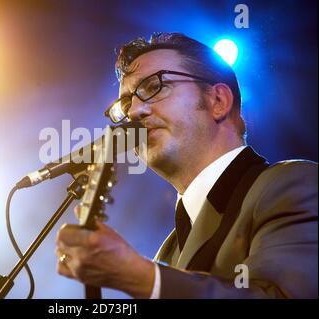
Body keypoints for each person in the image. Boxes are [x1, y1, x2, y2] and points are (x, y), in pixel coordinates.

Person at [55, 32, 318, 298]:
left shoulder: (294, 183)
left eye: (155, 86)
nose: (133, 113)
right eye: (126, 103)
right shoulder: (169, 250)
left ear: (218, 101)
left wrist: (140, 277)